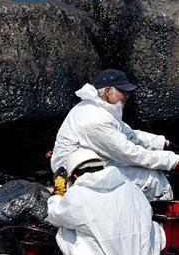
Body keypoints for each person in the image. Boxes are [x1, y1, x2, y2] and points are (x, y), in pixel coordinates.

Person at [47, 149, 163, 255]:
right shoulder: (132, 189)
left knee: (64, 229)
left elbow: (53, 215)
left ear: (75, 175)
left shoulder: (78, 195)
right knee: (151, 225)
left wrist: (59, 190)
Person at [51, 68, 178, 201]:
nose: (127, 95)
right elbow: (128, 153)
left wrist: (163, 143)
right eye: (123, 91)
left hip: (98, 159)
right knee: (153, 179)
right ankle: (161, 214)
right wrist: (172, 161)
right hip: (78, 173)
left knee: (154, 169)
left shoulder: (100, 108)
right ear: (107, 91)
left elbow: (130, 135)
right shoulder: (94, 118)